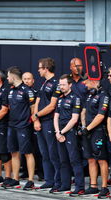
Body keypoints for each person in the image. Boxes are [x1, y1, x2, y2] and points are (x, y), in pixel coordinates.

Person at [4, 66, 36, 190]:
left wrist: (33, 122)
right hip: (12, 125)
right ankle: (15, 179)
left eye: (8, 76)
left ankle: (30, 180)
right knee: (14, 152)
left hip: (24, 126)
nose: (7, 78)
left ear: (12, 76)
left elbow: (33, 109)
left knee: (27, 153)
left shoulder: (27, 90)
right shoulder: (10, 90)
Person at [32, 57, 62, 191]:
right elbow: (37, 102)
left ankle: (57, 180)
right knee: (44, 153)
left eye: (40, 67)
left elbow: (52, 106)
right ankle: (48, 179)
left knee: (52, 153)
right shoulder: (43, 83)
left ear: (46, 68)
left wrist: (37, 115)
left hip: (50, 122)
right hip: (41, 122)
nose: (38, 70)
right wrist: (36, 119)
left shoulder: (56, 83)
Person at [53, 74, 85, 195]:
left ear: (70, 85)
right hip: (59, 132)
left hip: (70, 132)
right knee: (63, 160)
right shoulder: (60, 98)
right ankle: (65, 185)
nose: (61, 87)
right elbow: (55, 116)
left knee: (74, 160)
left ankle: (79, 187)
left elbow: (74, 119)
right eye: (60, 84)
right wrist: (57, 132)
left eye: (64, 84)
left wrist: (62, 132)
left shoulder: (75, 98)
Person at [81, 79, 110, 197]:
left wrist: (88, 128)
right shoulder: (89, 94)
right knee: (90, 158)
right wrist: (83, 126)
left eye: (87, 82)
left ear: (94, 81)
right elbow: (83, 111)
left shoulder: (103, 95)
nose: (85, 84)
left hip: (98, 131)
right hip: (87, 130)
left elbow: (100, 115)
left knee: (101, 159)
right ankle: (93, 185)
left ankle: (104, 186)